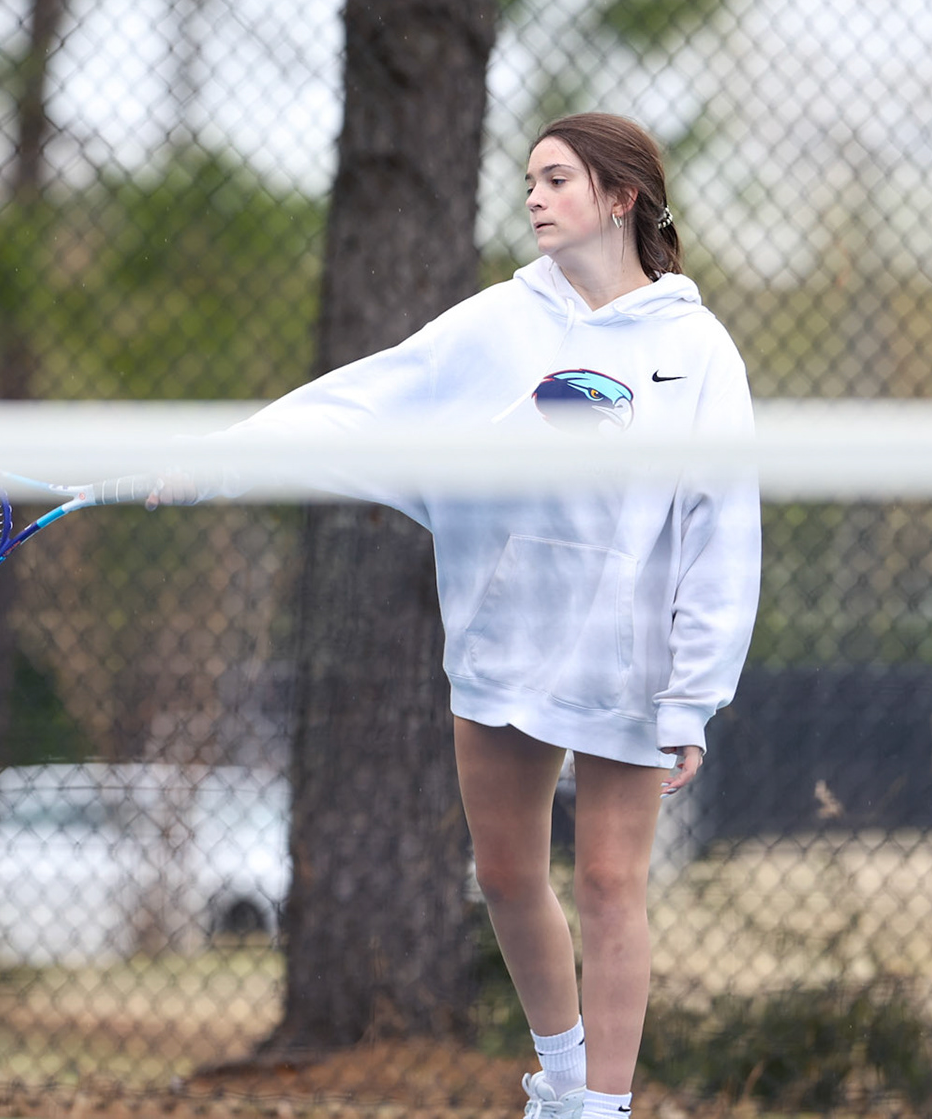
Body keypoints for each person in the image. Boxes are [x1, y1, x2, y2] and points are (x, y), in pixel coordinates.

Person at [153, 113, 760, 1119]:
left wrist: (694, 691)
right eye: (528, 178)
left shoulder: (695, 350)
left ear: (620, 198)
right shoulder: (493, 324)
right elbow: (366, 401)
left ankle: (601, 1111)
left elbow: (721, 522)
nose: (534, 196)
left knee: (611, 881)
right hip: (503, 644)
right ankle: (560, 1078)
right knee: (506, 871)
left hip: (630, 664)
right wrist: (229, 454)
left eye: (558, 178)